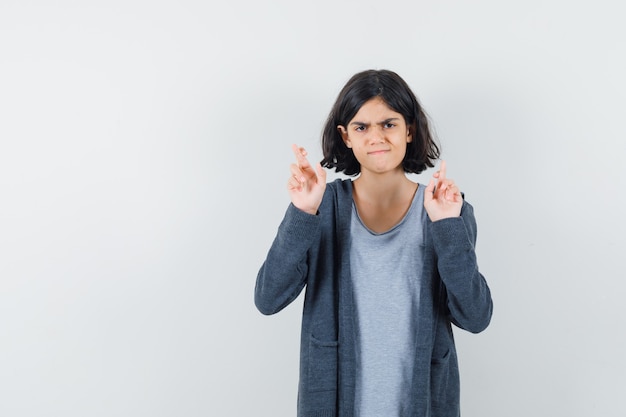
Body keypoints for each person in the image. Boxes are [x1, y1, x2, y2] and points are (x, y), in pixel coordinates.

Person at [254, 69, 493, 417]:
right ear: (345, 136)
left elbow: (475, 317)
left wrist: (447, 227)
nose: (376, 137)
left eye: (389, 124)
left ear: (409, 129)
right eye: (361, 126)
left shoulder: (445, 210)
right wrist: (303, 212)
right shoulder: (322, 207)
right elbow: (268, 298)